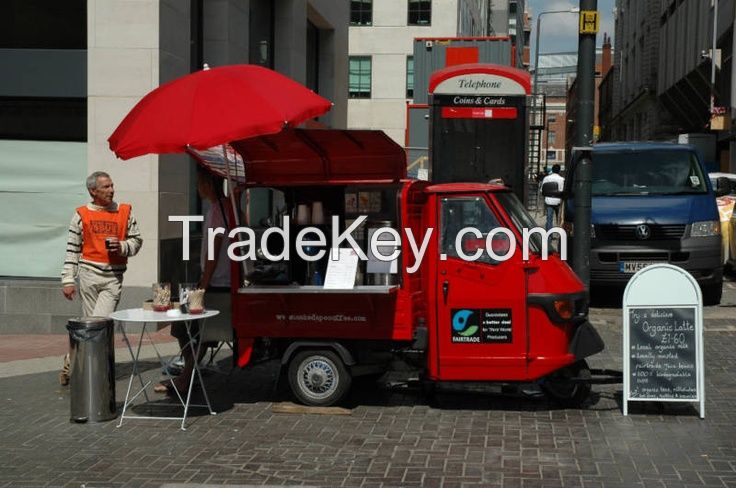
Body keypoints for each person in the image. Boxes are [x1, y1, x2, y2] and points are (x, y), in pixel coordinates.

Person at [60, 171, 143, 385]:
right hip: (88, 275)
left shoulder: (124, 212)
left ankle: (79, 364)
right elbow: (72, 249)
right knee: (90, 326)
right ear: (92, 191)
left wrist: (123, 246)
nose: (112, 190)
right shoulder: (81, 214)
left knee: (99, 323)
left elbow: (137, 241)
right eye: (106, 187)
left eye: (112, 185)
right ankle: (84, 369)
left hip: (113, 277)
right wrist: (68, 279)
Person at [155, 168, 232, 394]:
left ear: (208, 184)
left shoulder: (220, 210)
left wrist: (203, 285)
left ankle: (186, 377)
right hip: (219, 279)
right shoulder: (224, 208)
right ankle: (189, 373)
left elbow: (213, 252)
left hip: (218, 282)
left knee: (188, 327)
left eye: (199, 183)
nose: (197, 188)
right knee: (188, 327)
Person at [542, 164, 565, 230]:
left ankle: (549, 236)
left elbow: (542, 190)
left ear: (552, 170)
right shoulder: (562, 179)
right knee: (560, 219)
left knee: (549, 219)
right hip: (558, 201)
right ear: (559, 170)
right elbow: (562, 191)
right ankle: (560, 234)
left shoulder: (546, 178)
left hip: (549, 201)